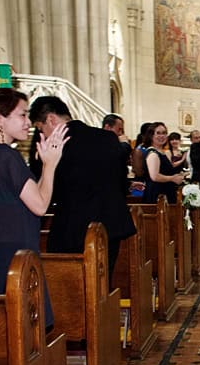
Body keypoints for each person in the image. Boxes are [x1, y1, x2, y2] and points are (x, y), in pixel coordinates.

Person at [0, 88, 69, 331]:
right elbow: (40, 205)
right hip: (14, 258)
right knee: (26, 333)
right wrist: (50, 165)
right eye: (22, 115)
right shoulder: (7, 157)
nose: (28, 122)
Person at [29, 96, 136, 276]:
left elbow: (48, 193)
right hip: (111, 225)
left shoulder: (53, 147)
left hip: (72, 229)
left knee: (73, 290)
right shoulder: (108, 138)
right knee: (103, 287)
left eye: (41, 129)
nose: (42, 135)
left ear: (51, 119)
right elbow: (121, 182)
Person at [143, 123, 184, 204]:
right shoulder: (153, 153)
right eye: (158, 133)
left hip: (165, 191)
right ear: (151, 136)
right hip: (158, 194)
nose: (162, 136)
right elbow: (155, 176)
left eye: (164, 133)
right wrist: (173, 178)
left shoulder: (161, 152)